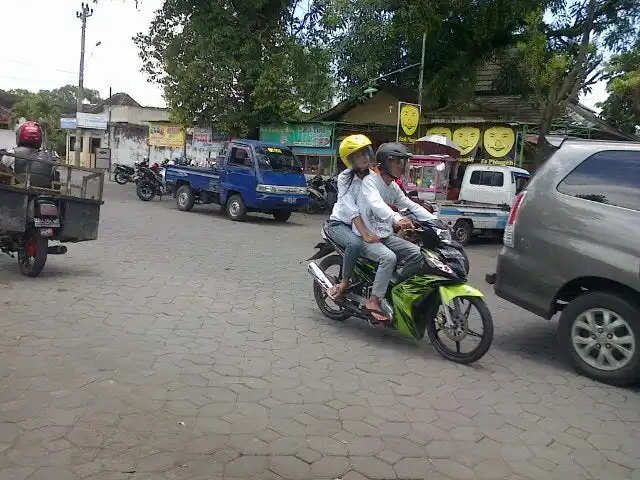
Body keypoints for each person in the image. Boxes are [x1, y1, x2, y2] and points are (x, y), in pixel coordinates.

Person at [356, 142, 438, 321]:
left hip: (384, 235)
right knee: (389, 258)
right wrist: (397, 218)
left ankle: (394, 289)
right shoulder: (371, 182)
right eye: (397, 161)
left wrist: (436, 222)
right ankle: (374, 300)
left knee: (418, 254)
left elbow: (411, 205)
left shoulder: (393, 187)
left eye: (403, 162)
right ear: (385, 163)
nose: (402, 166)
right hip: (366, 236)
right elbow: (375, 203)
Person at [325, 134, 380, 300]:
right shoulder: (344, 178)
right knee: (355, 244)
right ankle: (344, 281)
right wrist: (366, 236)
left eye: (365, 152)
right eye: (358, 155)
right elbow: (352, 210)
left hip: (363, 224)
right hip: (340, 224)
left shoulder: (374, 176)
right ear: (349, 160)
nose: (364, 157)